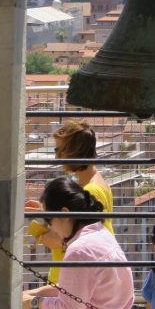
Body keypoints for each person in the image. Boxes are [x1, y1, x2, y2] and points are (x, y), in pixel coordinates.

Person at [22, 175, 134, 309]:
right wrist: (34, 292)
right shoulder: (100, 233)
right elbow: (76, 292)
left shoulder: (79, 250)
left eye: (49, 220)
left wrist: (34, 302)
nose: (50, 227)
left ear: (64, 213)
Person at [26, 119, 115, 285]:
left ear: (74, 152)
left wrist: (38, 225)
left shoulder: (90, 191)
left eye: (60, 150)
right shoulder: (97, 184)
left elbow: (59, 239)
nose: (57, 156)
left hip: (68, 281)